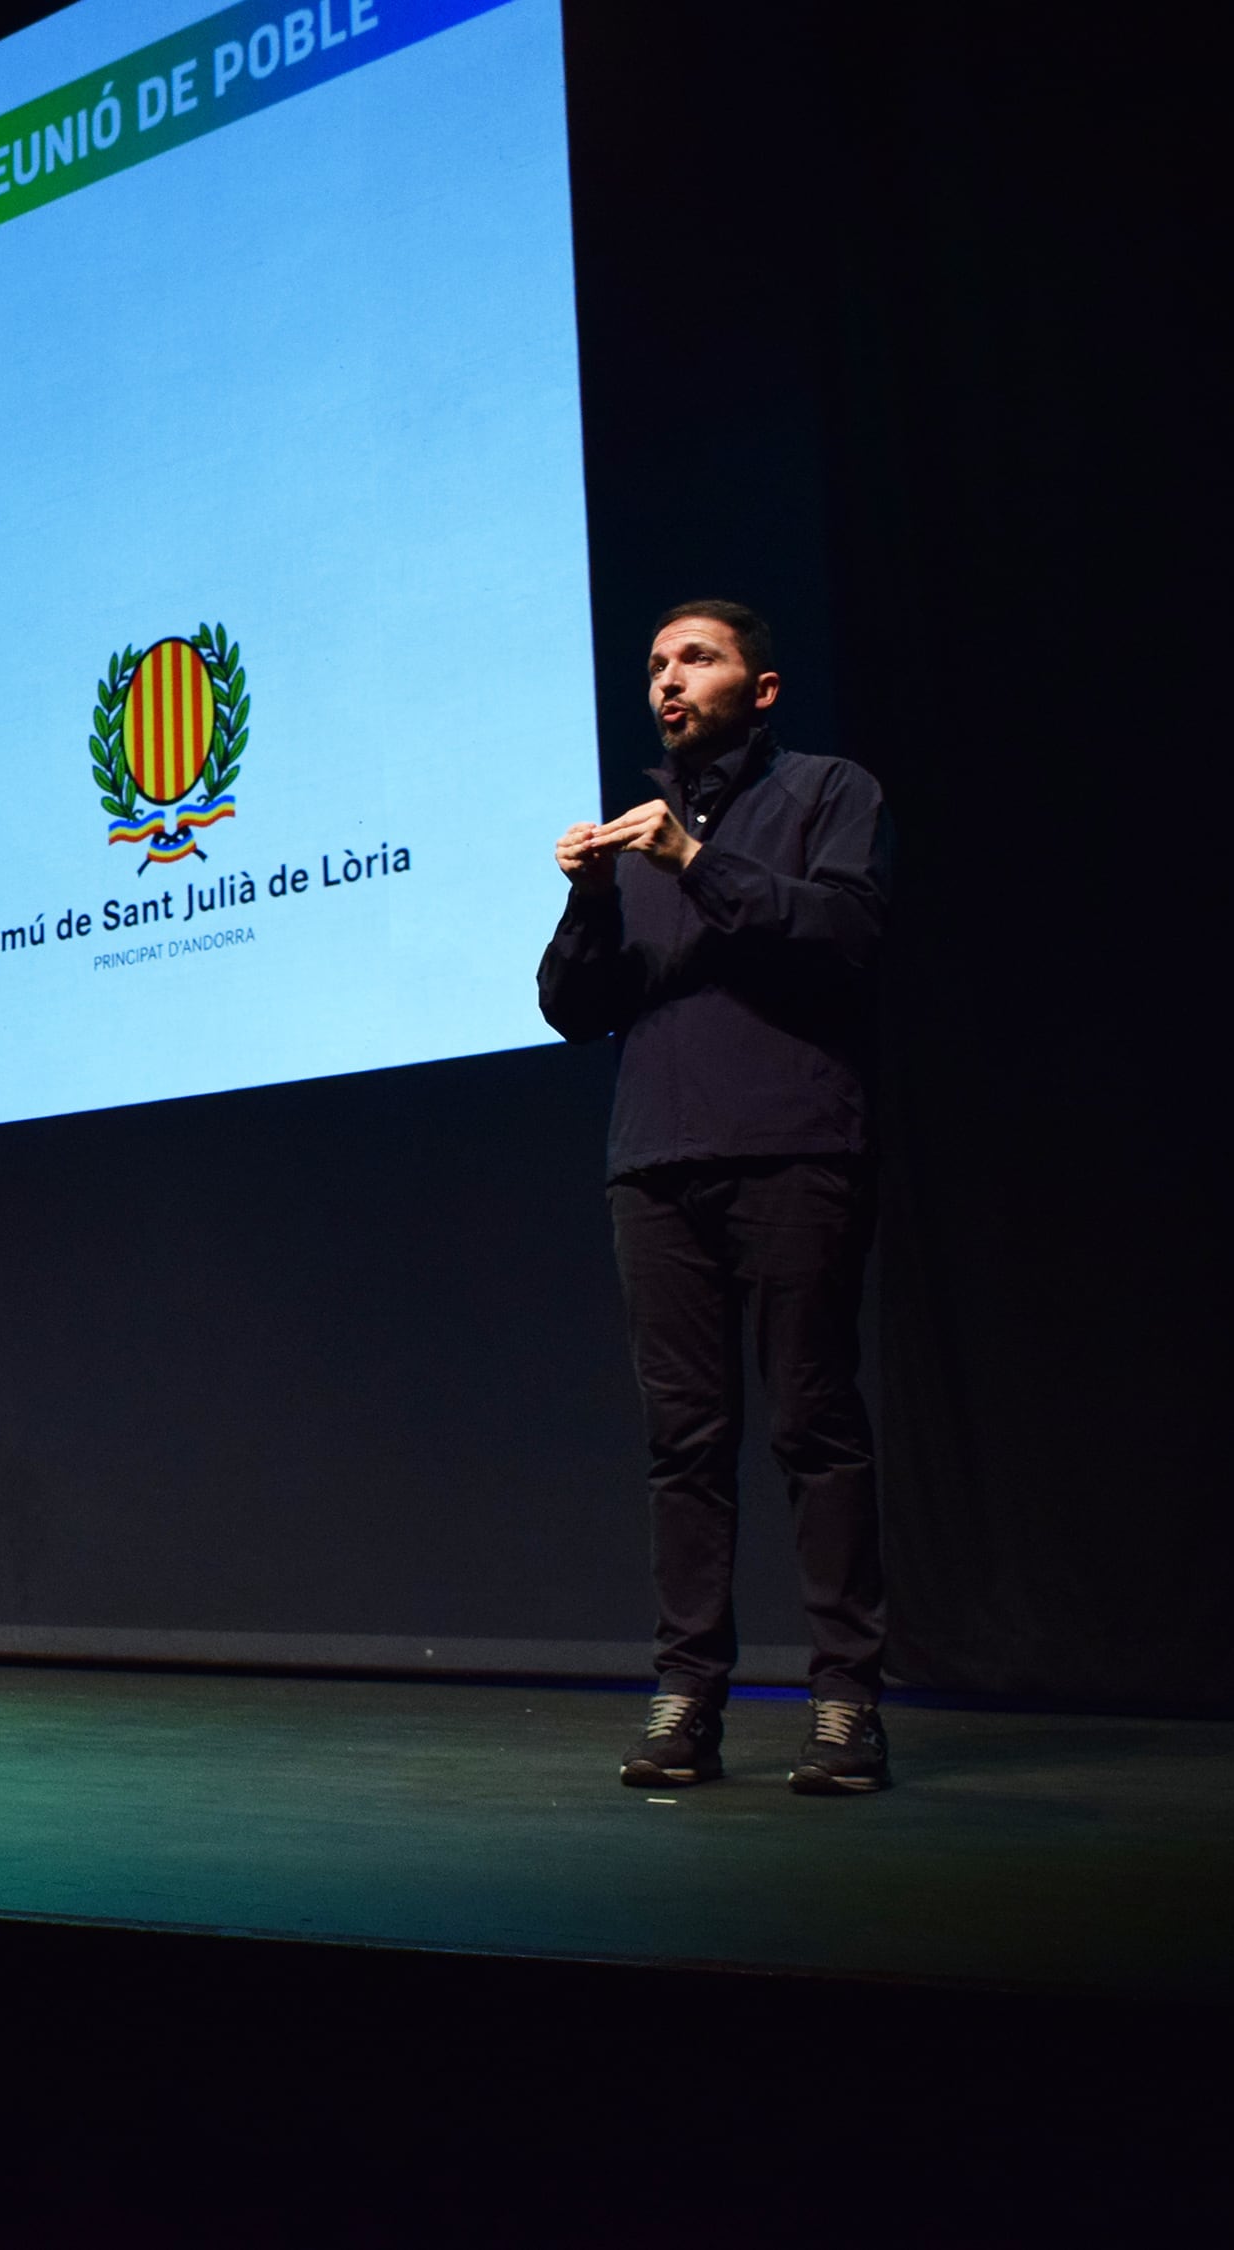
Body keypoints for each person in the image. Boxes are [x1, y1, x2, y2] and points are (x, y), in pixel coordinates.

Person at [538, 601, 897, 1794]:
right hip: (655, 1160)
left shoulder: (827, 792)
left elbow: (839, 932)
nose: (667, 681)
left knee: (813, 1424)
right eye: (654, 666)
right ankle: (688, 1695)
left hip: (794, 1146)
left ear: (765, 685)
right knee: (684, 1443)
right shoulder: (639, 838)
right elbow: (572, 1007)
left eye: (696, 659)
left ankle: (846, 1700)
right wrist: (592, 894)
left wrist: (697, 862)